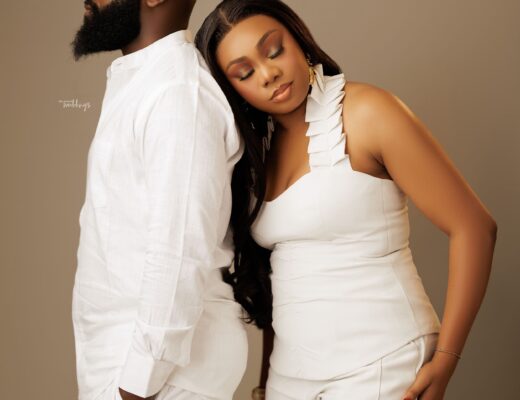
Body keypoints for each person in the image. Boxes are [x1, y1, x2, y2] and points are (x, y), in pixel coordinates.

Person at [194, 1, 498, 399]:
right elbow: (279, 279)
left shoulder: (367, 112)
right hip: (290, 376)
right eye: (245, 73)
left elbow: (474, 228)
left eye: (274, 50)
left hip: (382, 362)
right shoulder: (255, 156)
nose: (268, 74)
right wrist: (266, 383)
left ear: (298, 39)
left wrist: (445, 360)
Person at [70, 1, 248, 399]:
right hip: (135, 368)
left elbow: (179, 247)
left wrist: (137, 384)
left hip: (161, 377)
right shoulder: (150, 81)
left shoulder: (177, 92)